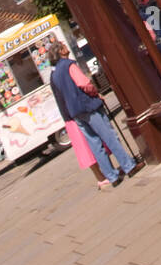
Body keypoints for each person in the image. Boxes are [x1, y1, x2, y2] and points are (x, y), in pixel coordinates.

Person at [47, 40, 145, 186]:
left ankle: (112, 176)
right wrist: (95, 93)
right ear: (61, 51)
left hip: (76, 113)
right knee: (109, 136)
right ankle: (128, 166)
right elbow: (84, 83)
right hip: (88, 107)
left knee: (95, 144)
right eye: (64, 46)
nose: (67, 48)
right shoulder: (69, 65)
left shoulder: (54, 75)